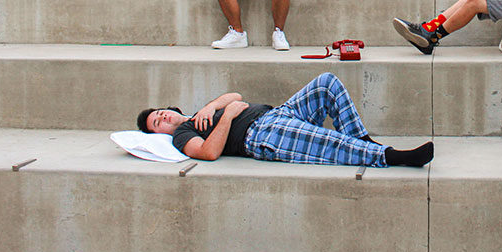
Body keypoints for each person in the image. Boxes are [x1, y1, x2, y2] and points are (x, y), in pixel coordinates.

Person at [138, 72, 434, 167]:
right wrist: (227, 115)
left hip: (277, 112)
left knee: (326, 83)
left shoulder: (201, 112)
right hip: (260, 136)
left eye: (160, 112)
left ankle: (364, 142)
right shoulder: (183, 135)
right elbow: (208, 153)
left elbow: (235, 94)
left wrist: (213, 106)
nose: (162, 117)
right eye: (156, 122)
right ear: (158, 134)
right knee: (325, 141)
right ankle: (390, 157)